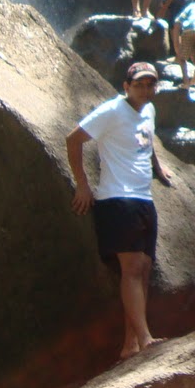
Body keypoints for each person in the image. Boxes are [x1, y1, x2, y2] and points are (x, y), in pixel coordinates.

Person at [65, 61, 173, 359]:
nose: (145, 89)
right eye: (139, 84)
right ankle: (146, 338)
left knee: (145, 270)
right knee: (132, 269)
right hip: (117, 199)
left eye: (150, 84)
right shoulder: (112, 111)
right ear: (126, 86)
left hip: (143, 199)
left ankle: (131, 345)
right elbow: (73, 139)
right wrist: (82, 184)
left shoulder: (149, 110)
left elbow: (146, 139)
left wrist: (158, 165)